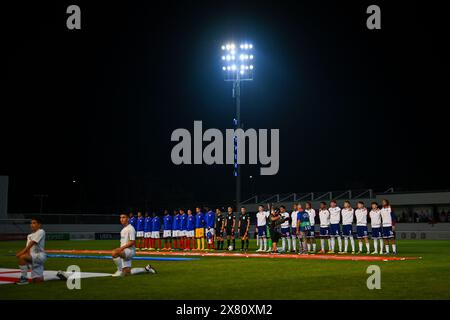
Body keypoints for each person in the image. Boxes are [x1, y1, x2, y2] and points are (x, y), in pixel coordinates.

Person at [16, 217, 47, 285]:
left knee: (22, 257)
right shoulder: (29, 235)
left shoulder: (41, 231)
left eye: (34, 223)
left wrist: (21, 253)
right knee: (38, 281)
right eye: (31, 223)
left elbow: (32, 243)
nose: (31, 225)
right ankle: (60, 275)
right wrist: (27, 256)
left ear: (39, 225)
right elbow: (28, 247)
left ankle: (24, 279)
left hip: (40, 256)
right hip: (33, 257)